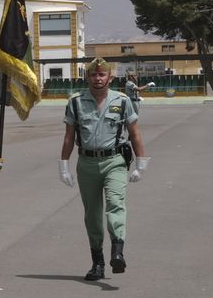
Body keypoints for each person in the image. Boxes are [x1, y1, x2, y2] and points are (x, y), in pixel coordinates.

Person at [60, 58, 148, 281]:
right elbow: (69, 136)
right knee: (92, 214)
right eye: (93, 75)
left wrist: (141, 163)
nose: (98, 78)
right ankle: (97, 262)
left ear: (110, 78)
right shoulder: (76, 102)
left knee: (115, 204)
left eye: (102, 75)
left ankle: (117, 251)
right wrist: (64, 166)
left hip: (115, 161)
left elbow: (134, 133)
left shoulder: (123, 100)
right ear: (87, 77)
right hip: (87, 163)